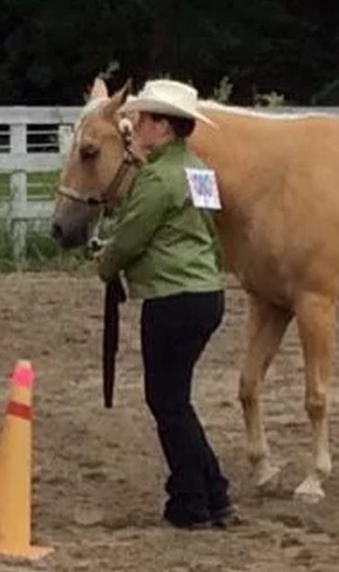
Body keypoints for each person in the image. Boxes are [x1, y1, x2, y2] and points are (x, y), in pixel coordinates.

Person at [93, 79, 238, 530]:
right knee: (177, 401)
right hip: (206, 293)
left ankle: (190, 501)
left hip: (171, 298)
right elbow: (208, 231)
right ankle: (213, 493)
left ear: (163, 126)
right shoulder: (198, 170)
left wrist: (104, 261)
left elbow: (132, 235)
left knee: (167, 402)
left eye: (143, 118)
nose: (135, 125)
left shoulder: (156, 179)